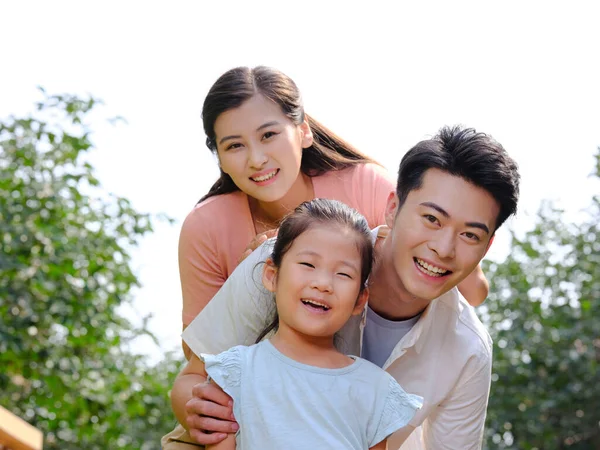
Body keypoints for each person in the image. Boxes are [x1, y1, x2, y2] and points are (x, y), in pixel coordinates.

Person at [169, 126, 521, 449]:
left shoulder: (467, 350)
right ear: (392, 208)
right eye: (431, 219)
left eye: (469, 235)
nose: (443, 248)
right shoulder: (287, 265)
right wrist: (202, 414)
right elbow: (190, 382)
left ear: (486, 247)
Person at [179, 66, 489, 354]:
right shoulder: (206, 226)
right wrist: (247, 284)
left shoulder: (364, 186)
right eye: (235, 145)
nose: (256, 159)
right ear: (218, 155)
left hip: (380, 368)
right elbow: (198, 353)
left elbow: (471, 294)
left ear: (303, 132)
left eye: (268, 135)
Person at [175, 199, 423, 449]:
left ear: (360, 299)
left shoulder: (374, 389)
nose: (322, 283)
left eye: (343, 274)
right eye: (308, 264)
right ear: (272, 275)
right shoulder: (236, 371)